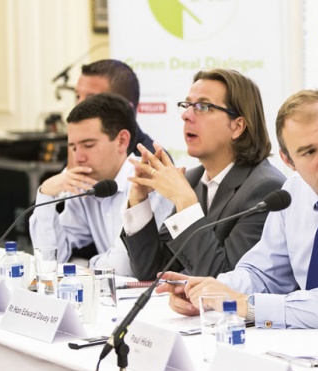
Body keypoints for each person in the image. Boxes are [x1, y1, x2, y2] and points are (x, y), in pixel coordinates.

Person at [158, 89, 318, 329]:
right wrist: (209, 293)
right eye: (308, 152)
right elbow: (262, 272)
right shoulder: (294, 190)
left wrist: (243, 304)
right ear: (288, 160)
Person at [120, 69, 286, 280]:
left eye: (203, 106)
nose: (186, 115)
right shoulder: (193, 180)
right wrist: (138, 199)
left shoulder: (265, 189)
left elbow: (227, 281)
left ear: (237, 127)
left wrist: (185, 203)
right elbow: (152, 270)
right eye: (187, 105)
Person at [29, 93, 173, 276]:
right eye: (73, 147)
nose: (78, 157)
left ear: (122, 141)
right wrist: (45, 195)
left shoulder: (146, 181)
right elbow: (51, 260)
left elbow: (124, 267)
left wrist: (81, 265)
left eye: (88, 145)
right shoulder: (85, 185)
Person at [74, 59, 158, 156]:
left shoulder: (153, 162)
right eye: (77, 96)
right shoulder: (77, 151)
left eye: (91, 100)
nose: (78, 107)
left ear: (124, 109)